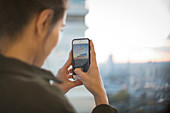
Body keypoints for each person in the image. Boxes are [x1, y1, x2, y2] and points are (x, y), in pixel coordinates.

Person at [0, 0, 118, 113]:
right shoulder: (52, 105)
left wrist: (54, 90)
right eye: (60, 29)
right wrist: (101, 98)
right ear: (44, 21)